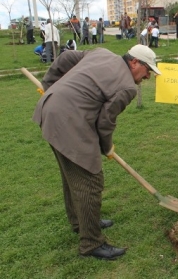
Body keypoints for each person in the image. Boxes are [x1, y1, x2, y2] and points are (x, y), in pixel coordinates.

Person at [32, 45, 161, 260]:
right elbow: (105, 122)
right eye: (148, 70)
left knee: (72, 176)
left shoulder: (102, 53)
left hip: (50, 112)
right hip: (70, 123)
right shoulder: (127, 87)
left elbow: (65, 57)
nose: (148, 76)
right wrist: (106, 147)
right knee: (90, 181)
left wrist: (49, 87)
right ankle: (91, 243)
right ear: (134, 62)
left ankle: (80, 222)